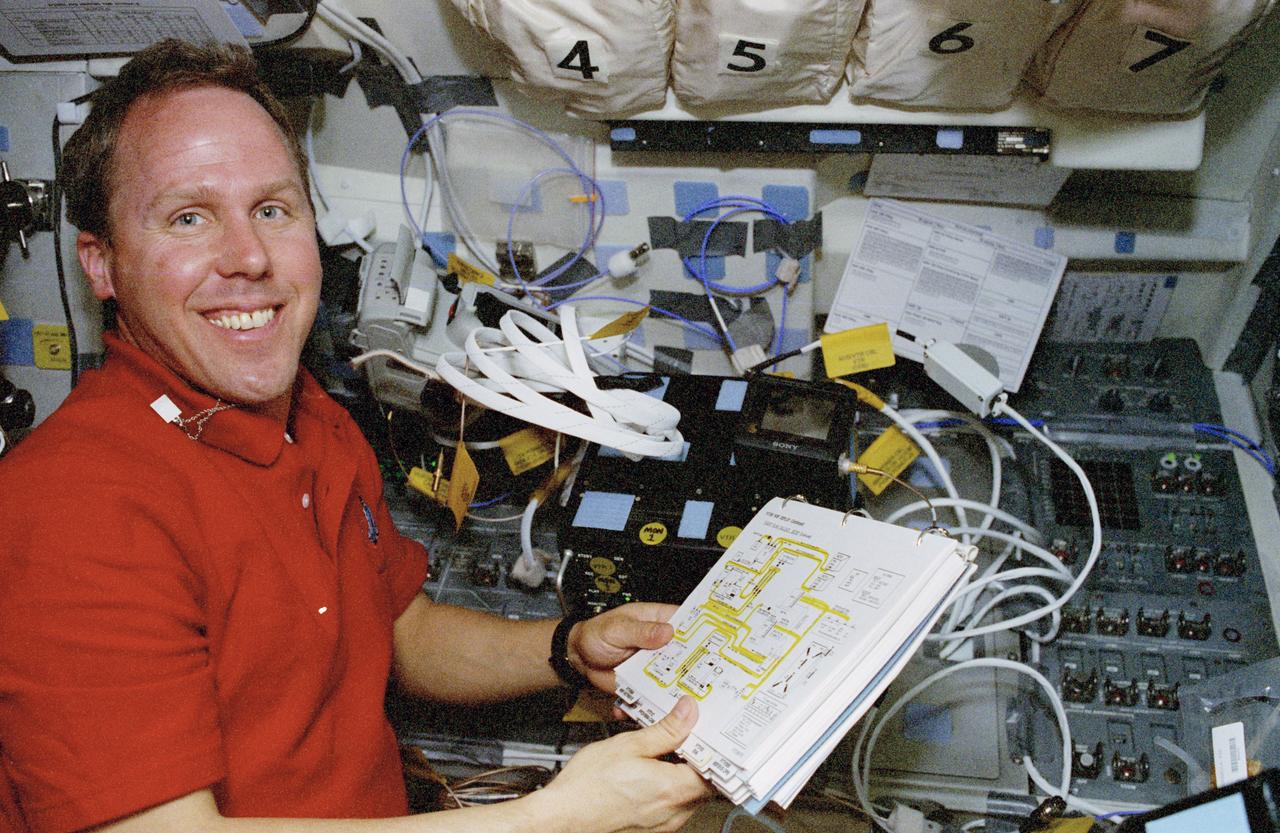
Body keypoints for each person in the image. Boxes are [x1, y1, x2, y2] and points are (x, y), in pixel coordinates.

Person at [0, 38, 709, 833]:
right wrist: (553, 818)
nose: (249, 257)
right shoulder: (69, 509)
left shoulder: (307, 415)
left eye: (272, 209)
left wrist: (566, 647)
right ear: (101, 264)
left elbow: (394, 631)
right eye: (188, 217)